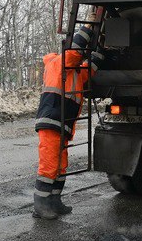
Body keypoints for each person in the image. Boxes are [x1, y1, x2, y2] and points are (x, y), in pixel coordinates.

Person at [33, 19, 103, 220]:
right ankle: (40, 206)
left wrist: (102, 48)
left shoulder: (75, 73)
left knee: (60, 165)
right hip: (52, 122)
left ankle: (54, 201)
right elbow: (74, 53)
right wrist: (88, 28)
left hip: (62, 124)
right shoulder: (57, 63)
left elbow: (91, 67)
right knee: (48, 165)